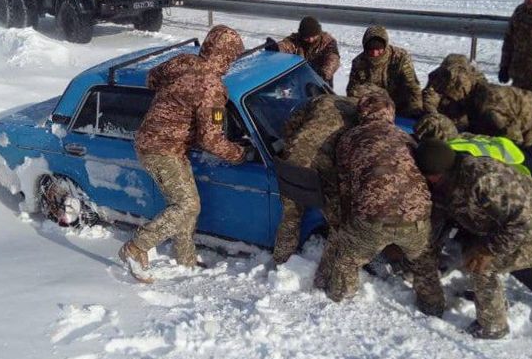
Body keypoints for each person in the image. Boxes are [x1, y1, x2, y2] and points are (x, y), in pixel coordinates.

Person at [415, 139, 532, 339]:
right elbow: (440, 216)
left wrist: (487, 251)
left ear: (433, 176)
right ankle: (495, 300)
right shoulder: (451, 177)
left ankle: (493, 326)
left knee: (482, 264)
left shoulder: (484, 180)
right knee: (481, 249)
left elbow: (525, 226)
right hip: (520, 227)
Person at [119, 25, 248, 282]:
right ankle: (136, 247)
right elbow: (211, 139)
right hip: (162, 150)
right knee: (187, 205)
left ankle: (185, 262)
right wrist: (239, 154)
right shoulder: (213, 91)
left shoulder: (183, 61)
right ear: (228, 56)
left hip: (159, 144)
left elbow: (151, 78)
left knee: (188, 206)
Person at [414, 113, 532, 283]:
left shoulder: (470, 169)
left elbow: (523, 223)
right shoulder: (456, 146)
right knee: (486, 226)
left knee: (512, 249)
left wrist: (488, 250)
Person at [325, 91, 445, 316]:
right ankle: (433, 307)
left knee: (347, 259)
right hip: (416, 220)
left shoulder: (349, 139)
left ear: (362, 113)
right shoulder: (406, 136)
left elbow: (344, 186)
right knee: (423, 262)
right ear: (390, 113)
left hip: (372, 222)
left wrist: (347, 221)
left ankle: (341, 297)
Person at [272, 94, 357, 282]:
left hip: (291, 161)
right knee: (339, 223)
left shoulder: (322, 99)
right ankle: (324, 277)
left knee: (291, 217)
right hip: (320, 168)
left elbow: (290, 125)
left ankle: (280, 264)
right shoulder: (360, 118)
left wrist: (295, 146)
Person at [430, 61, 532, 162]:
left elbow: (510, 145)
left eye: (445, 93)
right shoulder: (474, 94)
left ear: (456, 89)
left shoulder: (488, 105)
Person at [346, 25, 423, 117]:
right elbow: (352, 89)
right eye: (371, 49)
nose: (375, 53)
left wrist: (416, 110)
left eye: (378, 49)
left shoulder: (400, 57)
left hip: (401, 103)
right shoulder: (359, 62)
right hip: (376, 106)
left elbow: (412, 85)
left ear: (385, 46)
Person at [265, 16, 340, 86]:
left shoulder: (328, 42)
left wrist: (323, 74)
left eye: (313, 36)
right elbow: (287, 45)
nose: (310, 40)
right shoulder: (296, 40)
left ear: (318, 33)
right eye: (307, 37)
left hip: (321, 82)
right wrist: (276, 47)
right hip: (299, 80)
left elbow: (333, 59)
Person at [422, 54, 484, 130]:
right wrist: (438, 121)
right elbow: (429, 100)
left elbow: (482, 103)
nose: (456, 74)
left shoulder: (476, 80)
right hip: (444, 118)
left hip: (467, 120)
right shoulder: (437, 76)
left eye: (460, 71)